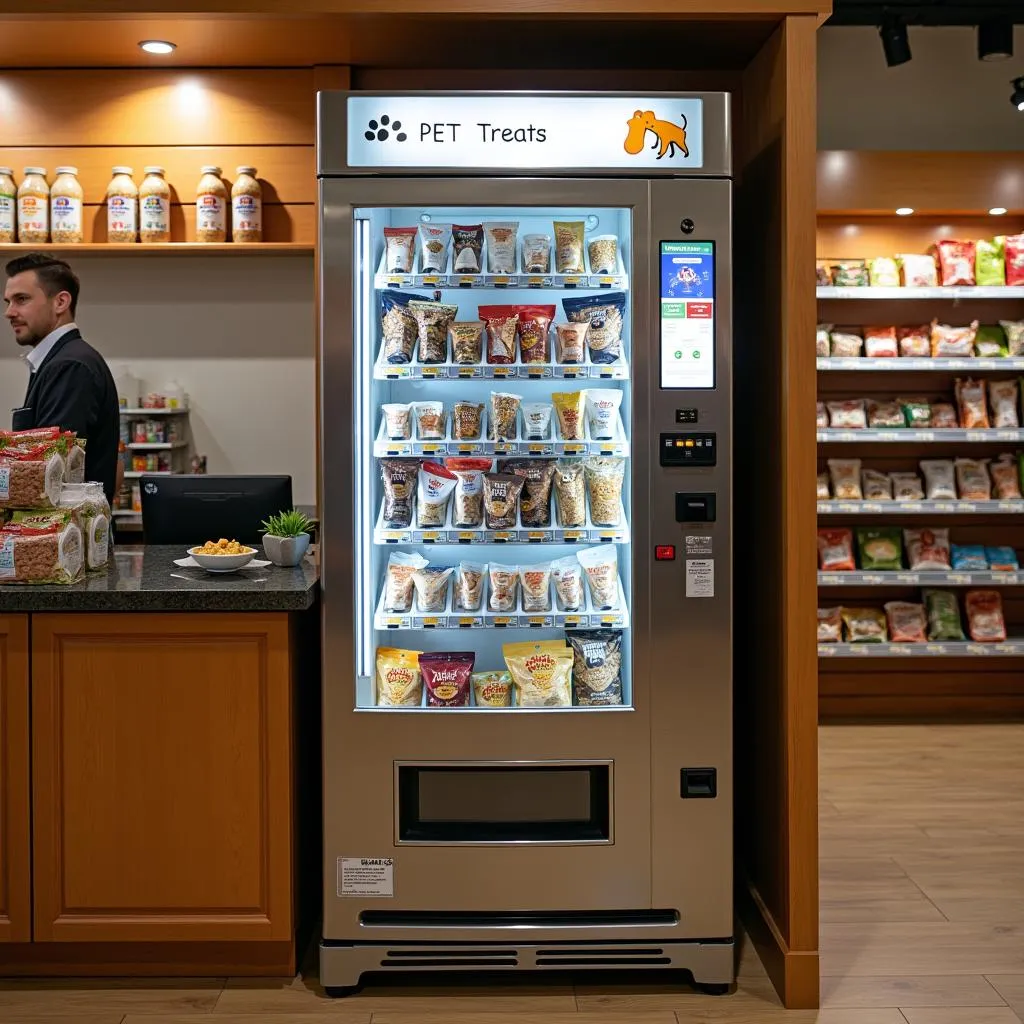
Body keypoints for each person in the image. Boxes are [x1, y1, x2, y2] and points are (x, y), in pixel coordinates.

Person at [3, 253, 120, 504]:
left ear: (60, 302)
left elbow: (50, 474)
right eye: (8, 302)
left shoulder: (69, 366)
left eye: (21, 299)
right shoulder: (58, 361)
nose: (9, 312)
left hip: (65, 538)